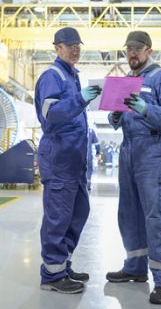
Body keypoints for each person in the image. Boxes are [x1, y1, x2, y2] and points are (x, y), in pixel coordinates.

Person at [106, 31, 161, 305]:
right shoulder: (126, 82)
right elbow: (118, 119)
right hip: (128, 152)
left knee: (157, 216)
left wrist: (145, 108)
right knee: (129, 214)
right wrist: (115, 115)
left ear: (149, 50)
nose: (132, 54)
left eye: (137, 49)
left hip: (153, 153)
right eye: (128, 50)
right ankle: (135, 268)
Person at [34, 27, 102, 294]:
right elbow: (52, 113)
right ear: (57, 48)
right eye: (69, 45)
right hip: (59, 158)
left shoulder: (72, 77)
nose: (75, 49)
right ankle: (52, 275)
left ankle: (63, 263)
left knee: (78, 213)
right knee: (58, 218)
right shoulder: (53, 76)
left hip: (74, 161)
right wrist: (80, 98)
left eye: (77, 45)